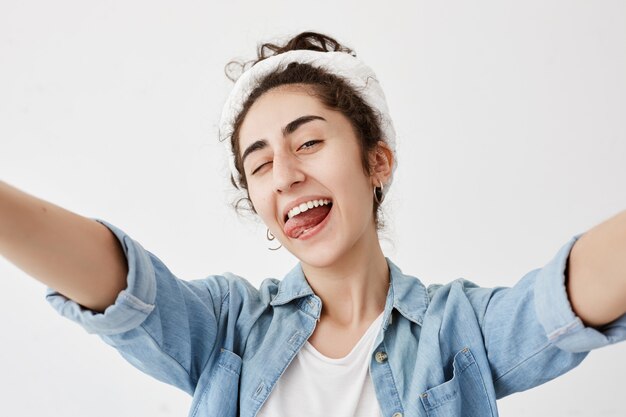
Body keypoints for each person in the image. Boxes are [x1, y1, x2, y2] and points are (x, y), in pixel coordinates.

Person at [1, 31, 625, 417]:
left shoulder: (456, 331)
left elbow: (561, 302)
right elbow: (123, 290)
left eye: (308, 143)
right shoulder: (229, 329)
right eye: (260, 162)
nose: (284, 175)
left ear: (376, 161)